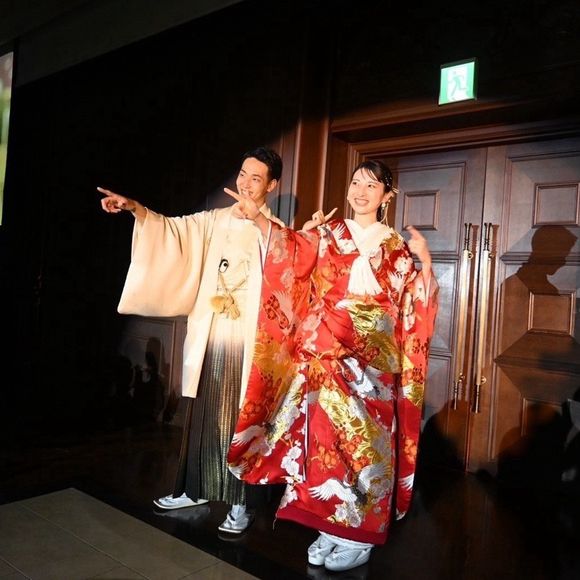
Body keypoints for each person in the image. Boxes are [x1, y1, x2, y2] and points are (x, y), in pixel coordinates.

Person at [224, 159, 438, 570]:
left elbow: (413, 303)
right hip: (326, 355)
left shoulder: (396, 246)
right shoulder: (329, 234)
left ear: (387, 196)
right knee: (324, 445)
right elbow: (292, 251)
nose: (360, 191)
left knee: (365, 447)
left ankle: (359, 536)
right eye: (355, 182)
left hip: (373, 365)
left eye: (371, 185)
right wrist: (260, 221)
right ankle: (330, 528)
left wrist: (425, 264)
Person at [99, 146, 283, 534]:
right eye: (243, 174)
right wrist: (135, 209)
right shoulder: (215, 220)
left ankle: (240, 502)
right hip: (212, 328)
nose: (246, 183)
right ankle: (195, 488)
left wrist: (261, 224)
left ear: (272, 186)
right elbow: (173, 230)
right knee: (203, 414)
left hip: (248, 337)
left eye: (256, 178)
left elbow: (289, 273)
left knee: (240, 417)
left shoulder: (275, 230)